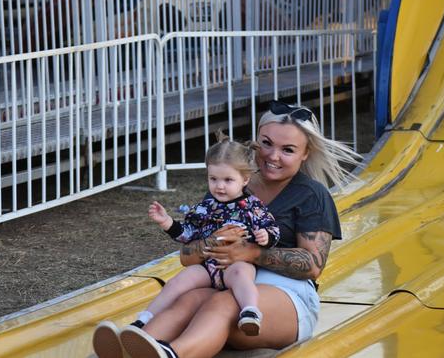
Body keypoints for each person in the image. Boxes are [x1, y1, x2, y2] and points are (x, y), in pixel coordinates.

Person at [92, 100, 360, 358]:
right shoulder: (230, 185)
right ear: (255, 142)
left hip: (286, 295)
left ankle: (173, 354)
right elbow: (187, 257)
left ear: (305, 154)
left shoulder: (311, 194)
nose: (273, 156)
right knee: (190, 299)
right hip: (224, 281)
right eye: (266, 144)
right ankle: (132, 348)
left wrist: (251, 253)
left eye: (288, 149)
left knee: (223, 303)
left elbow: (313, 264)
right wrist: (216, 241)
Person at [133, 133, 280, 336]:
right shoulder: (204, 207)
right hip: (207, 265)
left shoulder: (252, 207)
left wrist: (266, 236)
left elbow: (272, 228)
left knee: (242, 276)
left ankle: (250, 312)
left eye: (228, 180)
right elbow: (188, 234)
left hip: (235, 264)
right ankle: (144, 319)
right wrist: (167, 223)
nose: (219, 186)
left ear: (245, 179)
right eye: (213, 179)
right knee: (179, 281)